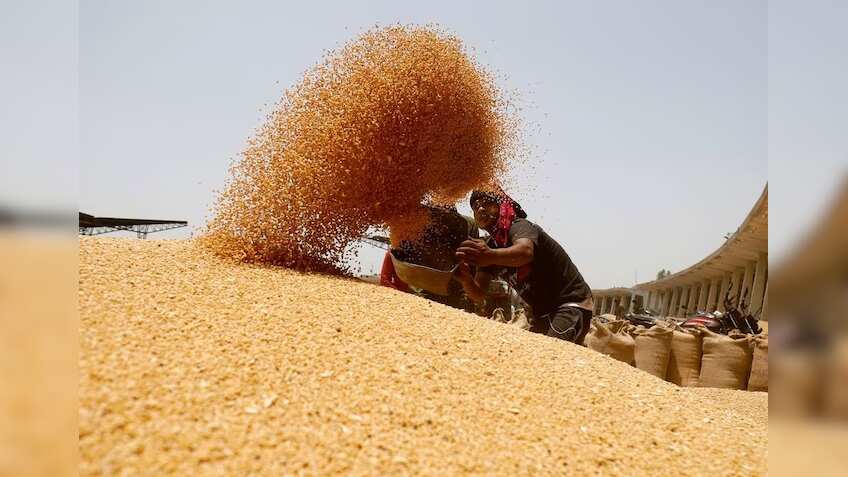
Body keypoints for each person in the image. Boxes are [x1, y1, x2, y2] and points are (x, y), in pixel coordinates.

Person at [454, 190, 594, 343]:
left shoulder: (519, 226)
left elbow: (525, 252)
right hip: (542, 312)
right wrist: (466, 279)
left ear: (501, 206)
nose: (480, 209)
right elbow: (479, 293)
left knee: (550, 355)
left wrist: (489, 255)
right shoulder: (491, 246)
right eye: (475, 207)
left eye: (487, 203)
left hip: (570, 303)